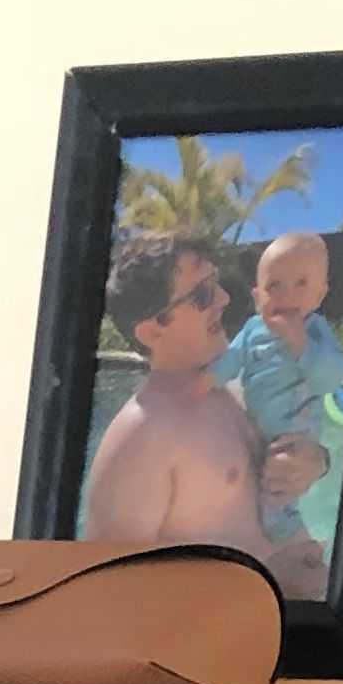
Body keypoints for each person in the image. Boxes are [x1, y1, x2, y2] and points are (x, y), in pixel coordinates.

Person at [80, 234, 272, 568]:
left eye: (217, 282)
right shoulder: (142, 435)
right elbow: (110, 590)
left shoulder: (228, 397)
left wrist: (314, 459)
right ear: (153, 331)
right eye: (203, 294)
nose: (224, 298)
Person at [215, 231, 343, 600]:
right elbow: (229, 363)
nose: (287, 295)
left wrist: (300, 343)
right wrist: (205, 378)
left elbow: (331, 376)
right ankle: (294, 544)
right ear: (258, 297)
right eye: (275, 285)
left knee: (279, 484)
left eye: (301, 284)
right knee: (263, 481)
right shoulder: (252, 331)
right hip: (259, 427)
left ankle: (290, 534)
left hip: (296, 428)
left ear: (319, 295)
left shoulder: (316, 332)